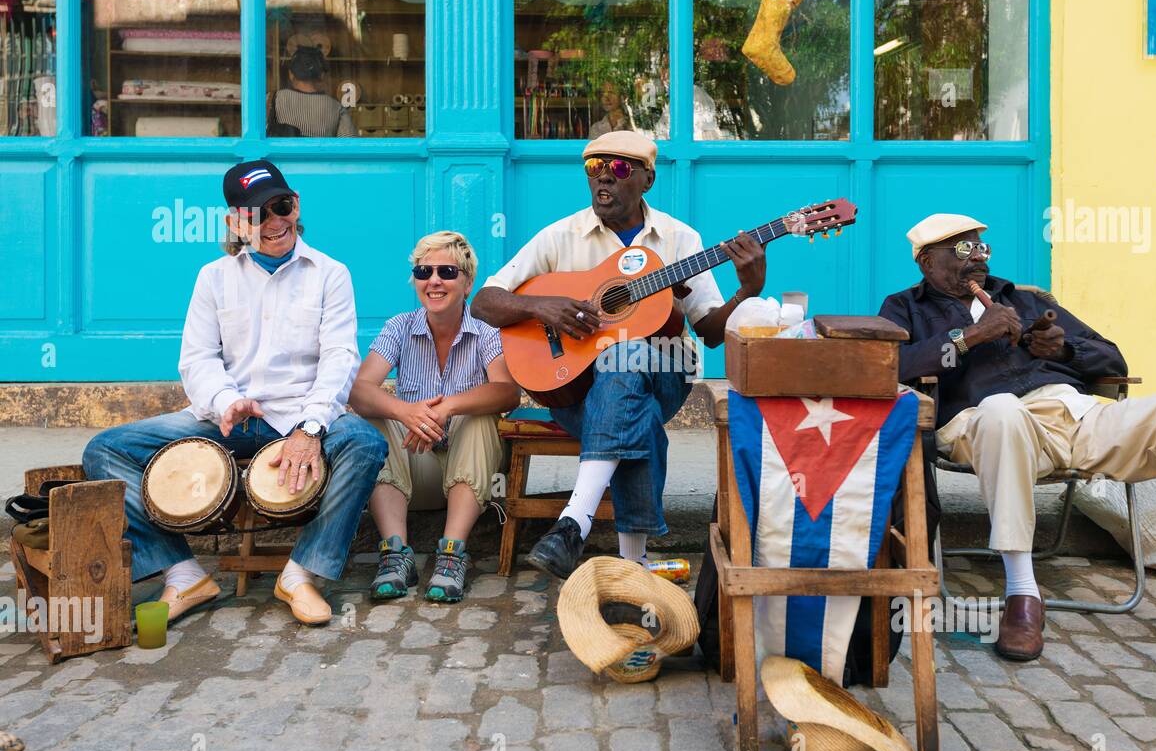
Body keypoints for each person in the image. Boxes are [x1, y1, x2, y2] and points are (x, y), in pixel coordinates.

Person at [878, 213, 1156, 661]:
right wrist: (969, 337)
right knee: (1003, 410)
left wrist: (1062, 348)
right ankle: (1023, 594)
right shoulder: (906, 307)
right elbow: (892, 367)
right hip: (982, 423)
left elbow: (1113, 361)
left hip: (1074, 414)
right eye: (962, 250)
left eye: (981, 248)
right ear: (926, 261)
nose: (977, 258)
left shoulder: (1022, 299)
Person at [82, 161, 387, 627]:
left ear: (296, 205)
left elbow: (340, 358)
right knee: (105, 451)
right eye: (258, 214)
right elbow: (197, 359)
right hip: (229, 420)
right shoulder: (214, 277)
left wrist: (309, 426)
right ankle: (183, 574)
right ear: (235, 223)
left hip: (300, 416)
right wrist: (226, 401)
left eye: (281, 206)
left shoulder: (331, 274)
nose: (274, 222)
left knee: (365, 443)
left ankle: (301, 574)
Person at [471, 131, 766, 578]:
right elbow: (483, 302)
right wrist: (539, 305)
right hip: (574, 387)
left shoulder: (679, 238)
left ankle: (574, 522)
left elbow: (708, 331)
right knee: (636, 412)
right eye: (594, 168)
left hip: (665, 370)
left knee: (626, 354)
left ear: (647, 179)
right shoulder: (560, 236)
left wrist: (748, 290)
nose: (604, 177)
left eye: (620, 168)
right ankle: (634, 564)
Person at [348, 231, 520, 603]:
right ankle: (395, 554)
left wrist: (447, 408)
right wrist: (406, 411)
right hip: (416, 472)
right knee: (376, 420)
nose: (434, 281)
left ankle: (451, 555)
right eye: (424, 271)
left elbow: (507, 391)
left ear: (468, 281)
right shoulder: (399, 327)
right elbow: (360, 391)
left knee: (479, 419)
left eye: (447, 271)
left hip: (474, 471)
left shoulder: (486, 332)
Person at [269, 45, 358, 138]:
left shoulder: (273, 99)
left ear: (291, 74)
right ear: (322, 75)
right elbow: (350, 146)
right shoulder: (336, 108)